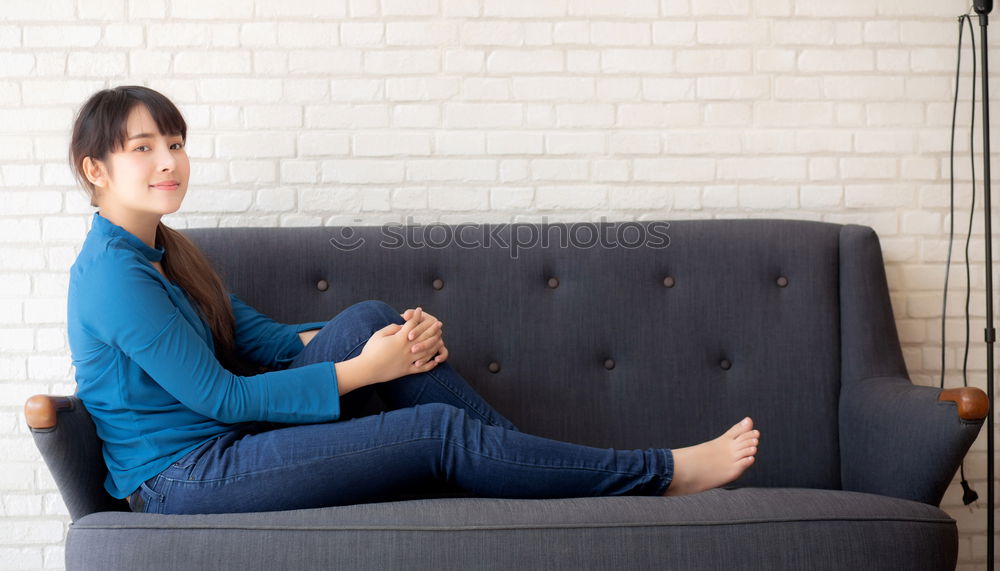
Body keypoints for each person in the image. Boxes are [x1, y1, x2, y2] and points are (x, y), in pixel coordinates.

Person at [65, 85, 761, 515]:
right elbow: (223, 398)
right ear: (96, 169)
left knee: (370, 317)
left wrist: (392, 343)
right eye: (144, 147)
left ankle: (548, 473)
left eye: (177, 142)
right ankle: (651, 475)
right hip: (182, 476)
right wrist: (369, 371)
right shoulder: (112, 277)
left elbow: (272, 340)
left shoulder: (168, 251)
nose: (169, 161)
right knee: (434, 430)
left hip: (223, 442)